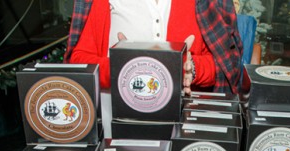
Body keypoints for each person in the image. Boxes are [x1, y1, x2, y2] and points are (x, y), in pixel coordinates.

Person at [64, 0, 243, 95]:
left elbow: (225, 66)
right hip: (119, 125)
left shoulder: (203, 2)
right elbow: (79, 62)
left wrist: (191, 68)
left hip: (185, 124)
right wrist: (122, 68)